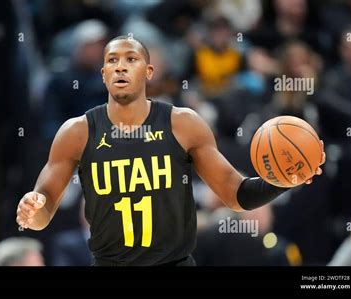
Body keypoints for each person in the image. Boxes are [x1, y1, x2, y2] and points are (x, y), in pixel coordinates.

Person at [16, 35, 325, 266]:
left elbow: (235, 194)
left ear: (149, 72)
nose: (120, 66)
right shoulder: (76, 132)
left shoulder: (183, 124)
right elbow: (44, 211)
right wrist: (33, 209)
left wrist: (285, 179)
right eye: (112, 60)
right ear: (103, 74)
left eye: (131, 59)